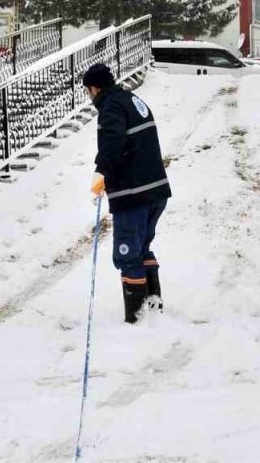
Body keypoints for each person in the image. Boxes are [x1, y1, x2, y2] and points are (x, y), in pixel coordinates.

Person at [85, 62, 171, 324]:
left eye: (88, 92)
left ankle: (137, 320)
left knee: (127, 254)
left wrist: (101, 171)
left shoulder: (111, 106)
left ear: (94, 88)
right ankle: (153, 309)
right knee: (141, 248)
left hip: (133, 194)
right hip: (155, 190)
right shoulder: (133, 100)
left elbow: (114, 139)